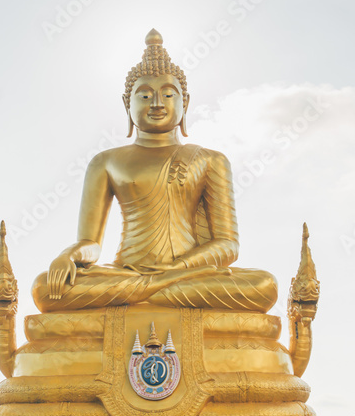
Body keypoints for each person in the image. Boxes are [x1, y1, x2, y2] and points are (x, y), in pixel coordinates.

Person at [32, 29, 277, 312]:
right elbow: (91, 243)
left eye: (168, 94)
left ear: (186, 102)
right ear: (127, 104)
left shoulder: (210, 160)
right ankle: (148, 292)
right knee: (45, 288)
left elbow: (227, 244)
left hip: (186, 275)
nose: (158, 104)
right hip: (128, 272)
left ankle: (141, 294)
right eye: (145, 96)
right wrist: (69, 256)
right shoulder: (106, 162)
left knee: (263, 285)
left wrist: (176, 269)